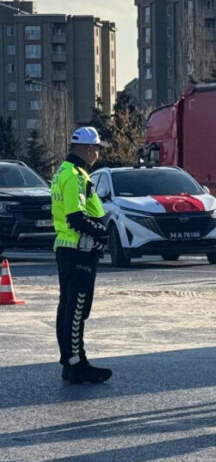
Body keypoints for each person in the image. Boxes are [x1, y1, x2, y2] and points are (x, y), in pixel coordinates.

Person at [51, 126, 112, 384]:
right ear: (88, 149)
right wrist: (102, 233)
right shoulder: (75, 175)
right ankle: (77, 364)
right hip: (79, 250)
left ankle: (70, 361)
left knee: (68, 308)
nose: (98, 153)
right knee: (76, 310)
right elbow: (75, 216)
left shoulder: (62, 172)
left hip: (68, 249)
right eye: (97, 148)